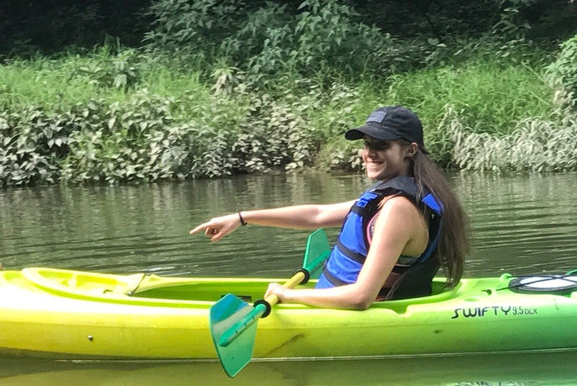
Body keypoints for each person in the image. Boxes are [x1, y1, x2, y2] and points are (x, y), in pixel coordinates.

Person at [190, 106, 469, 308]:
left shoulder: (399, 209)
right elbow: (317, 215)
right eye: (367, 144)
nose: (369, 153)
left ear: (410, 150)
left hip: (353, 317)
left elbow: (360, 298)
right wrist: (241, 218)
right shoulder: (392, 199)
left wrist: (287, 295)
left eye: (381, 145)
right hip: (332, 307)